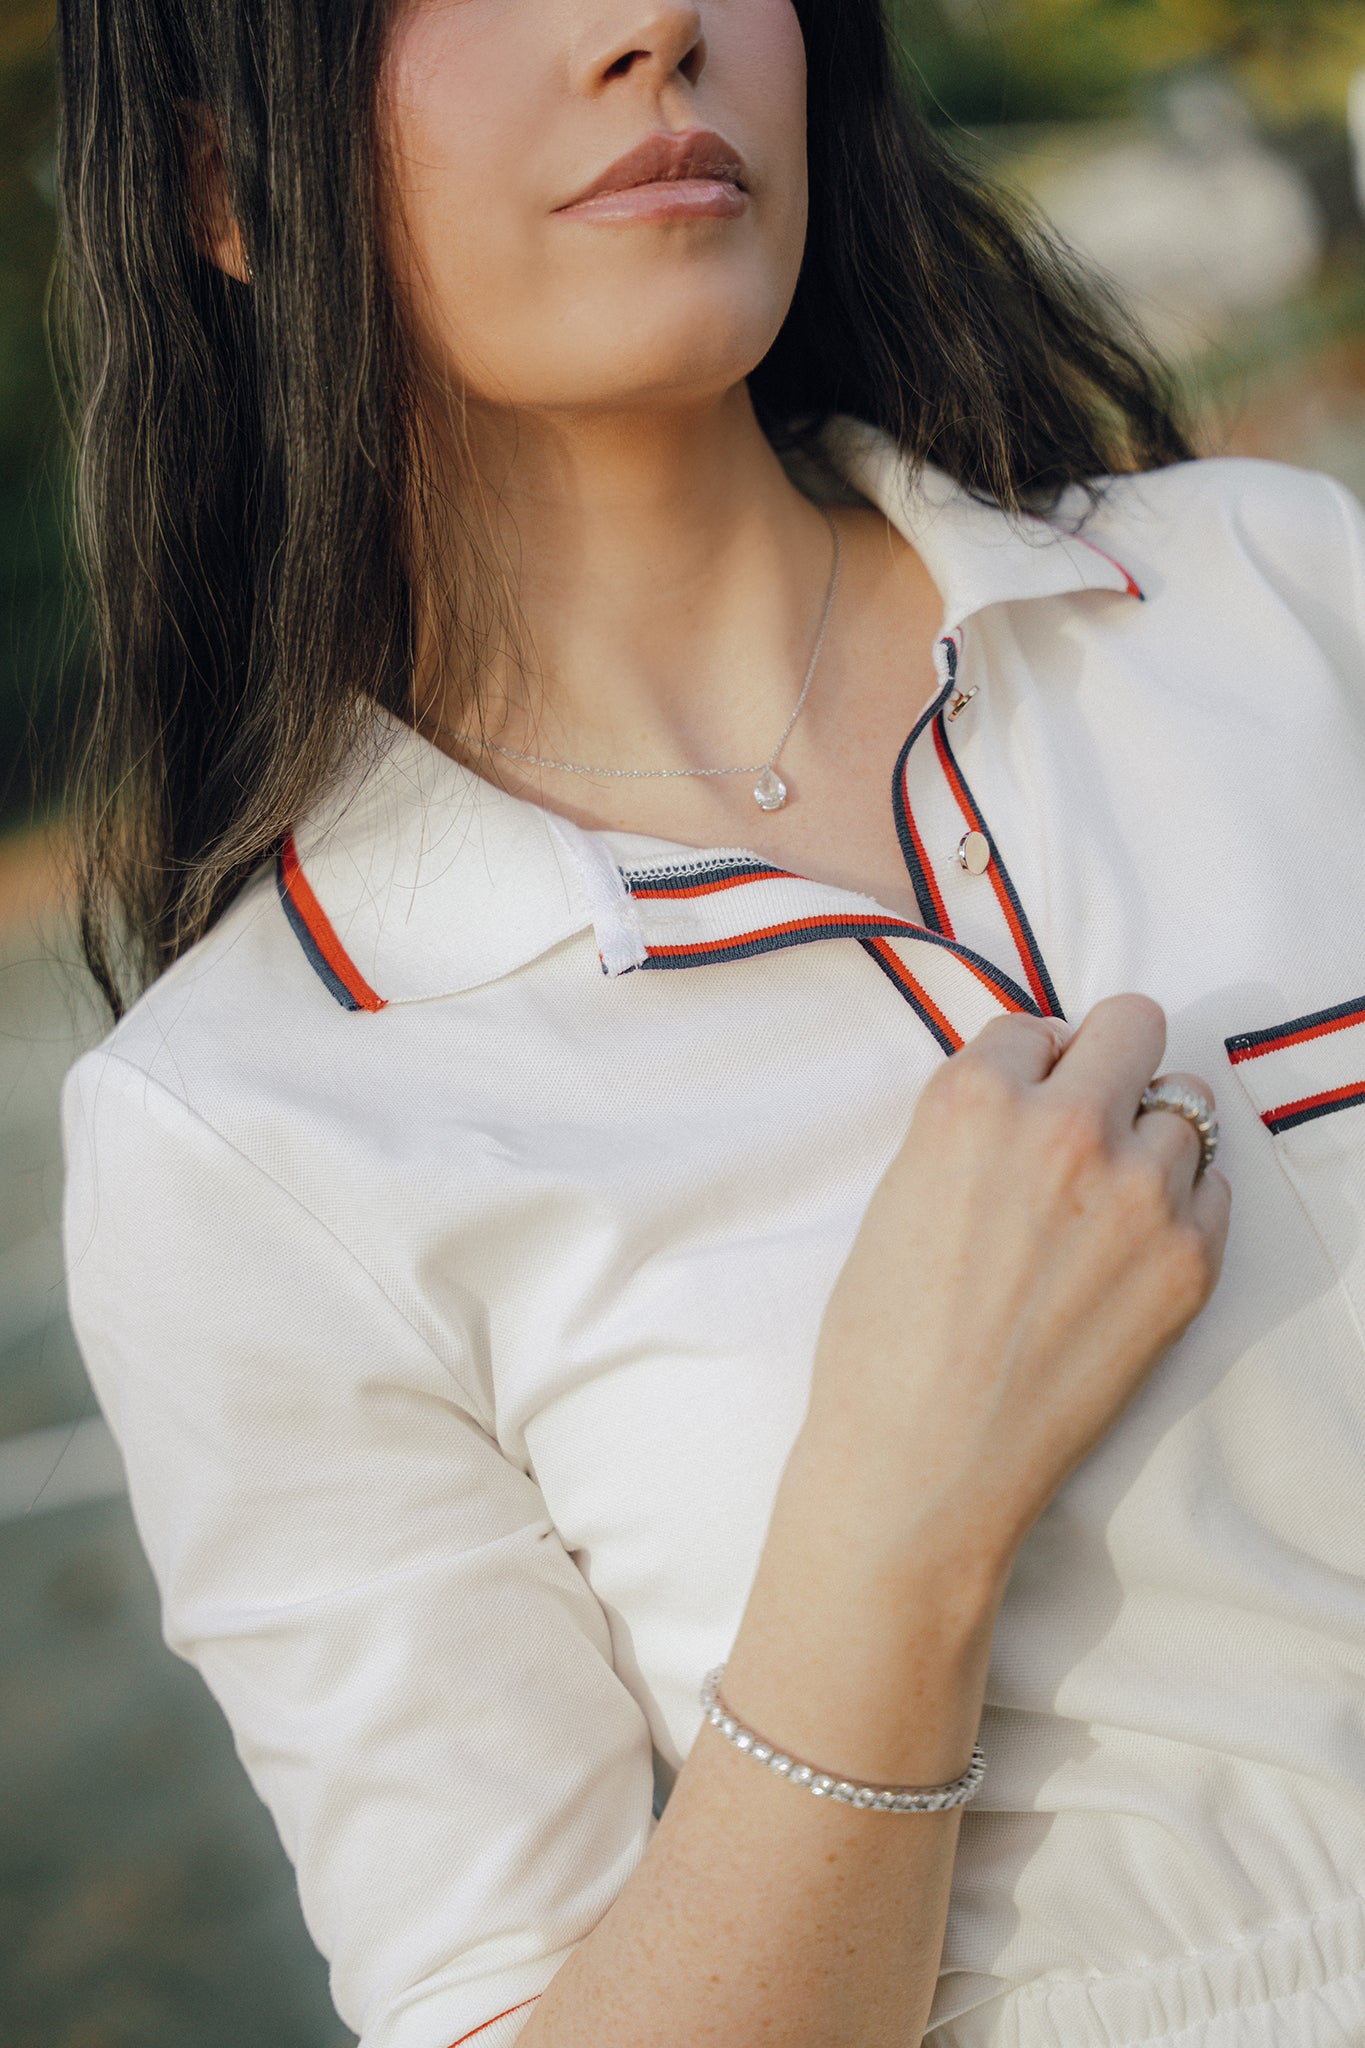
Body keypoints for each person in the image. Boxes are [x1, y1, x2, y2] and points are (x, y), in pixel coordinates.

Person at [53, 2, 1365, 2045]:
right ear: (228, 182)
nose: (648, 24)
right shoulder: (246, 1124)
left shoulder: (1289, 609)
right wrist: (890, 1521)